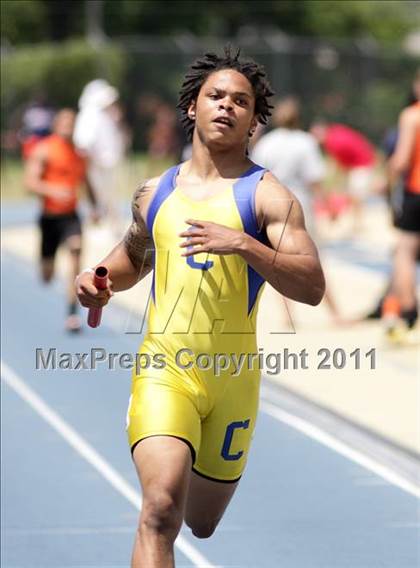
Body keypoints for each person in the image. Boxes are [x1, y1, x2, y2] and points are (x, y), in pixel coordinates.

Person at [76, 47, 325, 567]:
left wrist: (245, 246)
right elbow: (132, 257)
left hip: (233, 378)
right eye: (215, 96)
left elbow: (311, 286)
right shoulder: (155, 192)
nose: (226, 106)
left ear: (255, 120)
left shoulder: (268, 197)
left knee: (201, 523)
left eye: (241, 101)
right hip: (166, 369)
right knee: (160, 510)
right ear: (193, 106)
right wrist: (96, 281)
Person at [252, 96, 342, 323]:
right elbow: (315, 179)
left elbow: (256, 176)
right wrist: (329, 205)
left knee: (279, 261)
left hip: (271, 204)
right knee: (314, 259)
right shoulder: (305, 142)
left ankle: (288, 316)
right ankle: (334, 314)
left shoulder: (267, 143)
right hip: (298, 205)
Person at [24, 108, 99, 332]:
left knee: (76, 251)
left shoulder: (79, 154)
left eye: (72, 123)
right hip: (49, 218)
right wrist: (53, 191)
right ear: (57, 125)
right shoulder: (44, 150)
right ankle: (46, 264)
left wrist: (95, 207)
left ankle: (72, 315)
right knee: (47, 275)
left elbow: (87, 182)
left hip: (71, 216)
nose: (68, 126)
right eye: (64, 123)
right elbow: (29, 182)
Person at [384, 70, 420, 338]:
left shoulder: (412, 115)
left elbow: (402, 159)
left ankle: (408, 308)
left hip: (416, 191)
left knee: (404, 251)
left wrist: (387, 178)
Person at [74, 79, 129, 235]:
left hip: (107, 165)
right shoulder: (89, 115)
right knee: (97, 199)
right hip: (96, 165)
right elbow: (84, 144)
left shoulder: (105, 115)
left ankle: (113, 228)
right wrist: (89, 164)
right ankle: (95, 228)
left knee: (110, 198)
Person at [310, 119, 376, 232]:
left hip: (361, 164)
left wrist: (331, 181)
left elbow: (336, 165)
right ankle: (356, 222)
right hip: (360, 162)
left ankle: (358, 224)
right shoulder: (335, 131)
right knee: (352, 195)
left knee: (356, 195)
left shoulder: (332, 142)